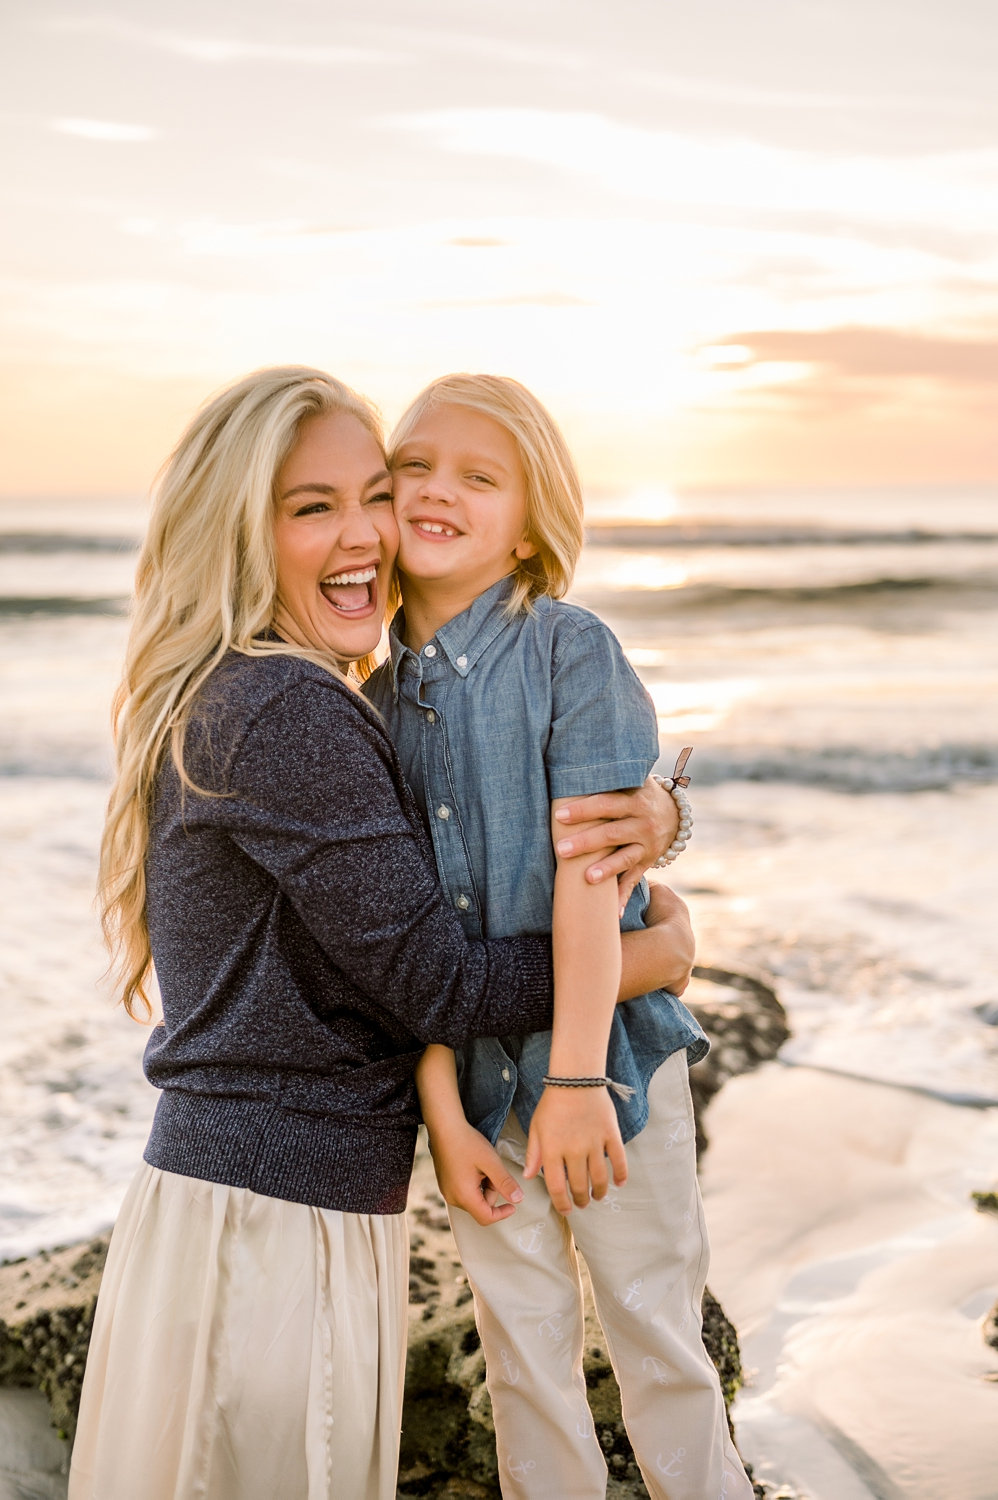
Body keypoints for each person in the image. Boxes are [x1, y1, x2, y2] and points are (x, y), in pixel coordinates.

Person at [68, 366, 693, 1500]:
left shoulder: (278, 693)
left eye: (372, 492)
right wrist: (659, 954)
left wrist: (660, 812)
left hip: (254, 1205)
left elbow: (411, 940)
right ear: (239, 530)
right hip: (271, 1228)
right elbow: (436, 977)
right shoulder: (294, 709)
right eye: (314, 506)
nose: (368, 530)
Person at [365, 374, 754, 1498]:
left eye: (478, 477)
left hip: (611, 1076)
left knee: (658, 1345)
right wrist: (442, 1114)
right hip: (479, 1101)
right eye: (414, 470)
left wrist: (576, 1077)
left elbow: (594, 879)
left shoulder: (567, 650)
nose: (437, 492)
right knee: (522, 1361)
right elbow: (407, 953)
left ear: (531, 522)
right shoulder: (376, 700)